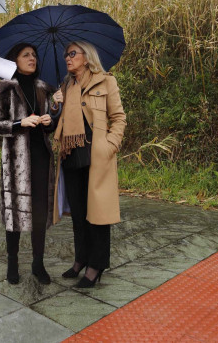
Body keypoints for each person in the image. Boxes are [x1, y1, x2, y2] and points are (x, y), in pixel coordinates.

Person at [52, 40, 126, 288]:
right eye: (66, 55)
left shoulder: (105, 81)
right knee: (79, 214)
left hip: (97, 156)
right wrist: (56, 104)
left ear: (87, 56)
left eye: (72, 53)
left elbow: (118, 118)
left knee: (98, 214)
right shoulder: (65, 85)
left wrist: (110, 146)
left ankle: (96, 265)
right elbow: (57, 121)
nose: (67, 58)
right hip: (71, 154)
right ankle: (80, 259)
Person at [0, 43, 56, 285]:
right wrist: (19, 124)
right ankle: (13, 262)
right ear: (14, 60)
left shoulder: (44, 89)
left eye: (34, 55)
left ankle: (38, 263)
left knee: (39, 212)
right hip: (16, 162)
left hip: (41, 158)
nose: (32, 58)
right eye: (26, 55)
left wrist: (50, 120)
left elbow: (52, 125)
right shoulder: (4, 89)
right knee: (13, 215)